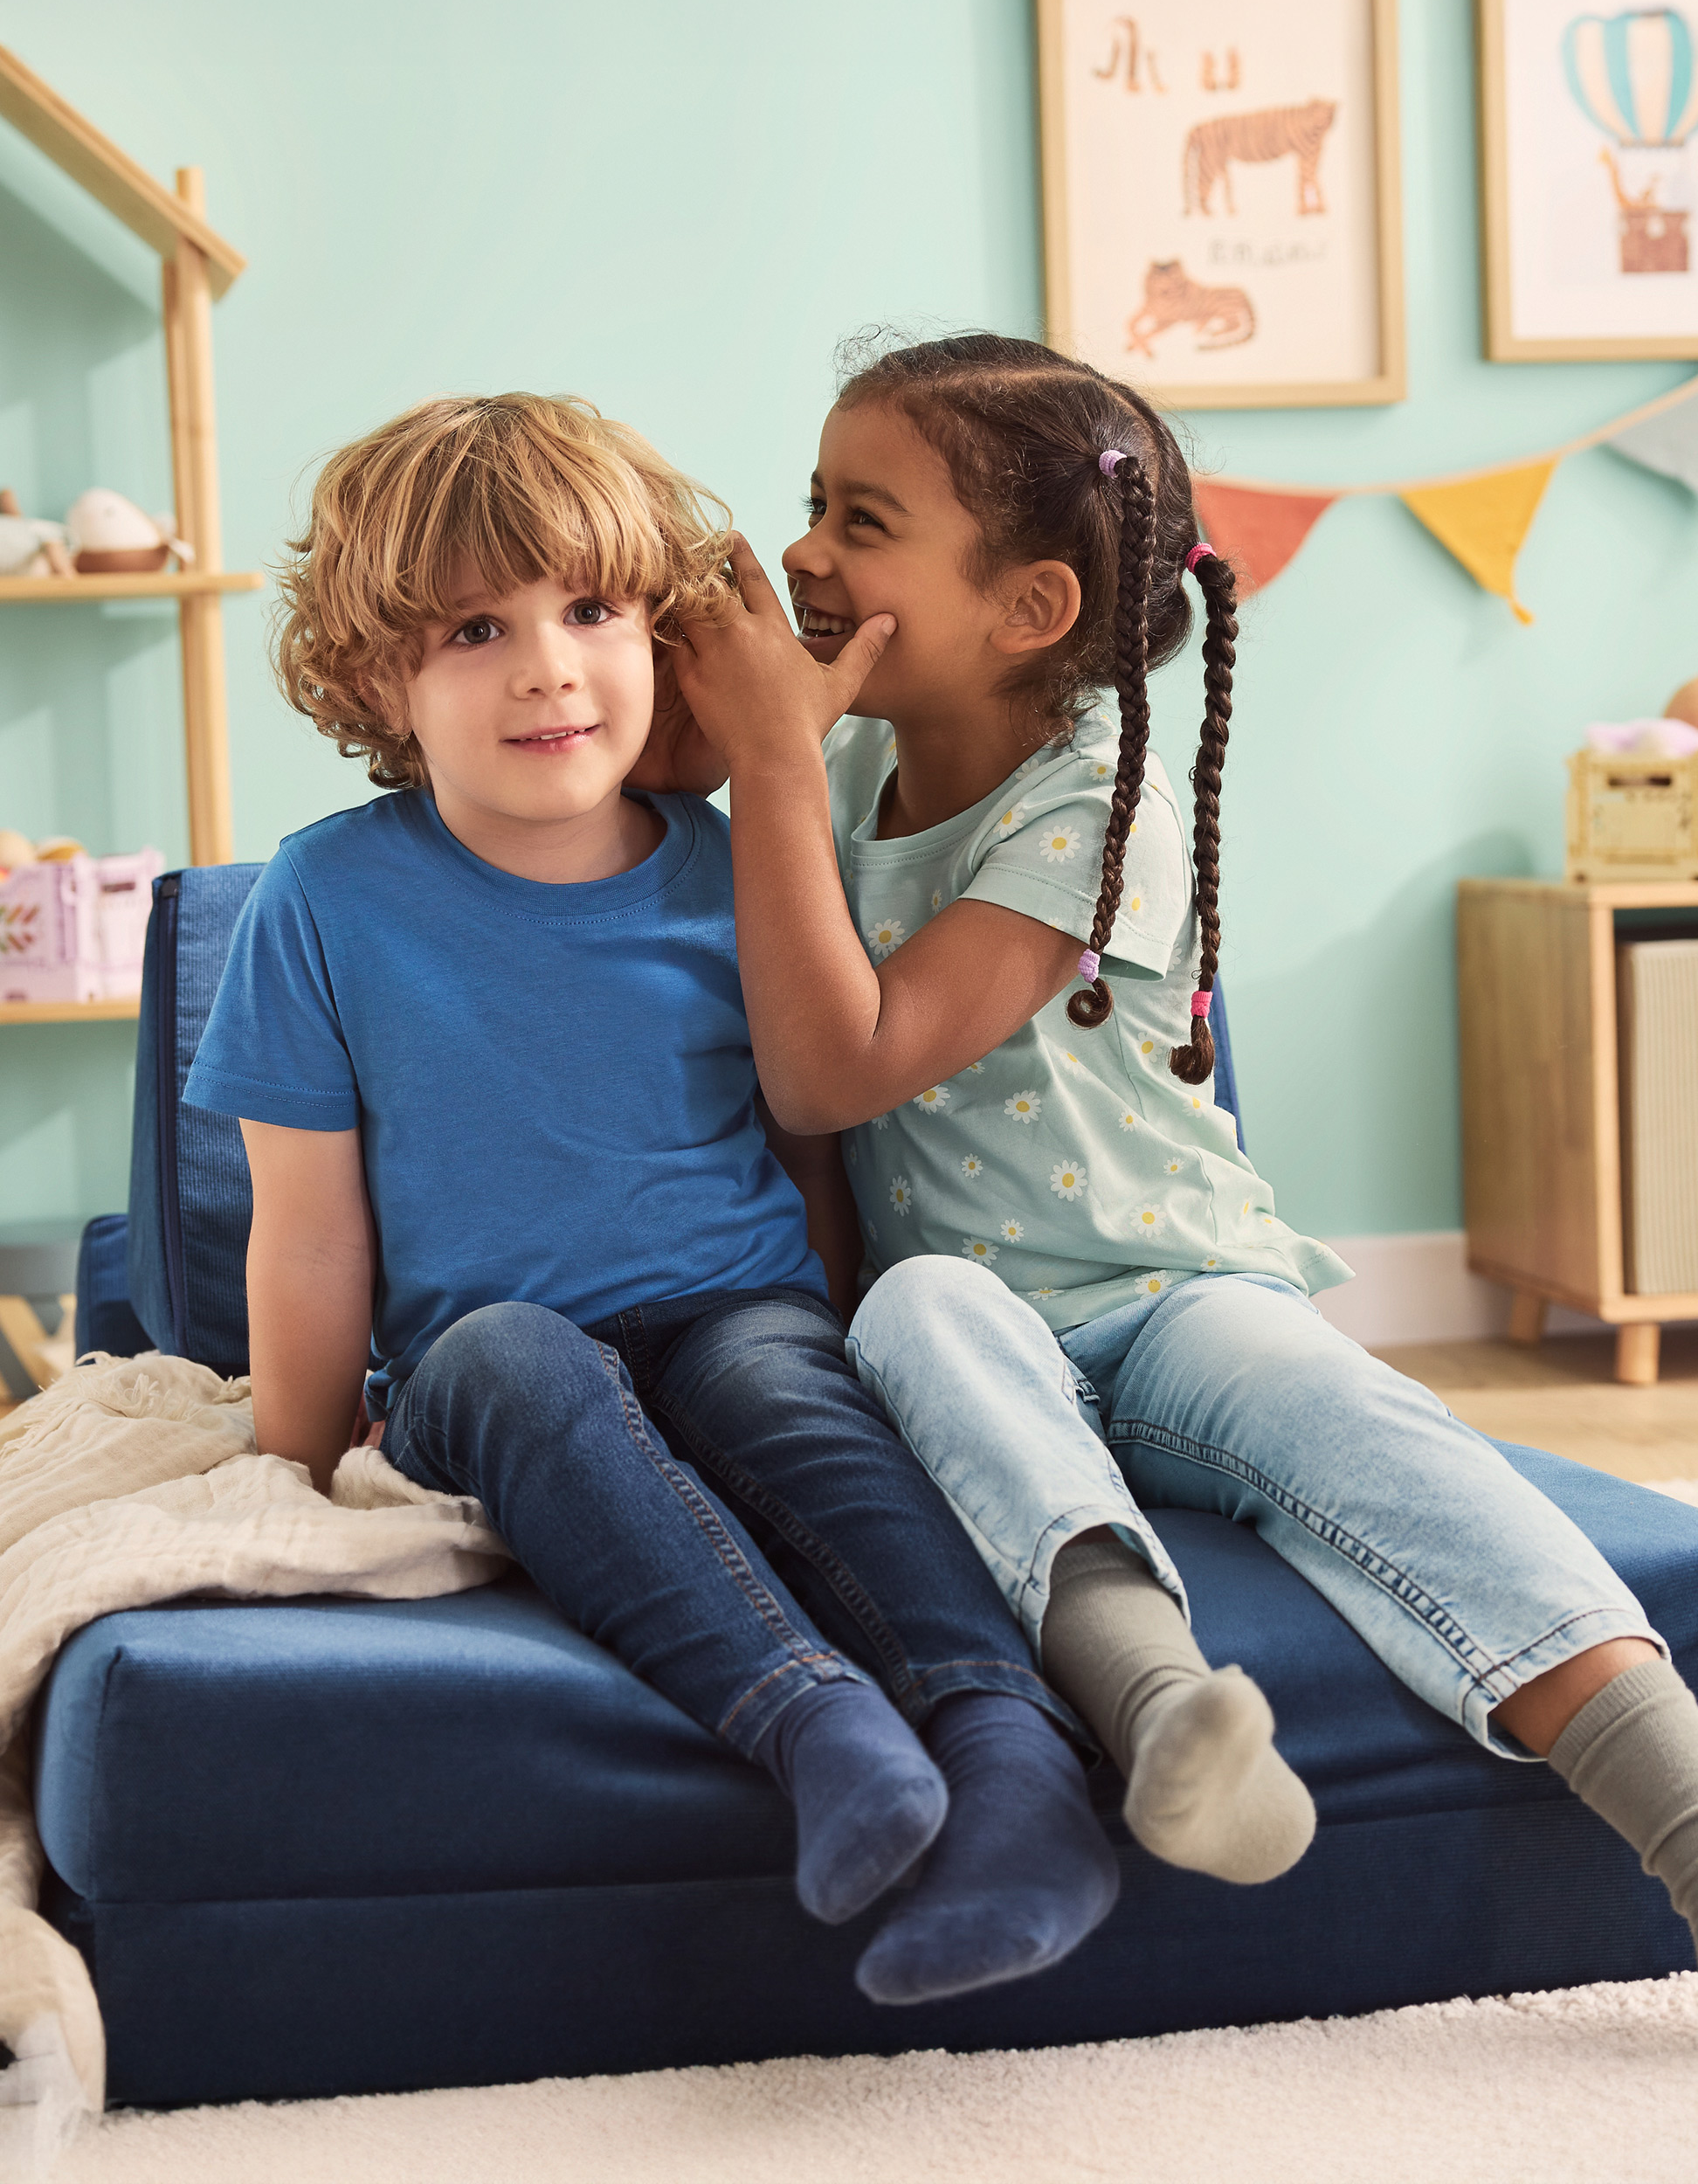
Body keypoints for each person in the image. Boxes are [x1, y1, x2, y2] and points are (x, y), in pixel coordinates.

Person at [671, 332, 1698, 1949]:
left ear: (1031, 609)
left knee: (1357, 1421)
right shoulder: (845, 758)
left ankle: (1680, 1805)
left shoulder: (1094, 807)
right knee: (918, 1310)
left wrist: (773, 762)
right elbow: (641, 748)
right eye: (814, 503)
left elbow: (833, 1073)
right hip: (976, 1315)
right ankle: (1167, 1721)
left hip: (1176, 1290)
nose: (805, 551)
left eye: (862, 522)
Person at [182, 390, 1122, 2008]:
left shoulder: (740, 860)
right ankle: (820, 1730)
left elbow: (811, 1142)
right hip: (488, 1354)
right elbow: (311, 1227)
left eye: (594, 613)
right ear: (380, 681)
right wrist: (292, 1470)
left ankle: (1015, 1770)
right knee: (511, 1356)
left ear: (669, 644)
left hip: (737, 1308)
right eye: (476, 629)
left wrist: (834, 1322)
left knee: (789, 1392)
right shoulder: (323, 897)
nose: (549, 668)